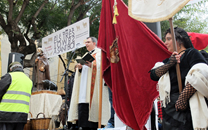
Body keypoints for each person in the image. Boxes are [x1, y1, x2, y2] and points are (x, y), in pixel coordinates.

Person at [149, 27, 208, 130]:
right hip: (170, 109)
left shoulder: (191, 53)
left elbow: (202, 72)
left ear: (179, 40)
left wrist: (184, 97)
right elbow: (153, 74)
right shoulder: (168, 61)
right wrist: (169, 64)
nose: (165, 42)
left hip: (188, 107)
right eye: (165, 39)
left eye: (168, 39)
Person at [68, 37, 110, 130]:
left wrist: (92, 65)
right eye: (85, 42)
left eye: (88, 42)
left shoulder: (99, 53)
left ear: (94, 43)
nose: (86, 44)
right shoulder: (86, 55)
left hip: (93, 90)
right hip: (84, 89)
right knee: (83, 121)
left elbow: (101, 66)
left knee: (92, 124)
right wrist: (79, 67)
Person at [0, 62, 33, 130]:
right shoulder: (29, 81)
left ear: (11, 69)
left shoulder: (9, 76)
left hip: (6, 115)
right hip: (22, 116)